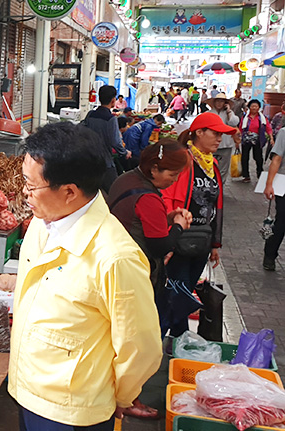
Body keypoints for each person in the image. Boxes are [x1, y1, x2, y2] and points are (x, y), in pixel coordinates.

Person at [6, 122, 162, 430]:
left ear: (69, 192)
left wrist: (120, 396)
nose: (24, 194)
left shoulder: (115, 257)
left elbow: (140, 346)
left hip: (72, 410)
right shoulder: (43, 222)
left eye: (30, 186)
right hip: (28, 391)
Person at [108, 139, 192, 420]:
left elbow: (137, 220)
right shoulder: (148, 196)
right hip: (137, 274)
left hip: (115, 264)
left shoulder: (125, 179)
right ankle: (128, 398)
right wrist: (178, 227)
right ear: (154, 169)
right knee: (138, 341)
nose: (174, 180)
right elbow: (160, 246)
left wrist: (165, 217)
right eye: (171, 174)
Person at [161, 112, 236, 336]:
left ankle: (175, 341)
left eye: (221, 135)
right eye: (215, 133)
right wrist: (169, 236)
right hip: (180, 239)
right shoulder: (183, 160)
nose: (219, 139)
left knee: (183, 292)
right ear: (199, 133)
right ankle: (175, 340)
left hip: (201, 241)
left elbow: (217, 205)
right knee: (179, 294)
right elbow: (167, 198)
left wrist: (215, 244)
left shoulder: (211, 164)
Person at [84, 85, 131, 193]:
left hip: (89, 160)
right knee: (114, 192)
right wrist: (124, 153)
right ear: (113, 100)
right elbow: (115, 141)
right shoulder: (111, 119)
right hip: (105, 162)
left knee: (91, 192)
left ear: (99, 98)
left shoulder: (90, 115)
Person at [263, 128, 285, 271]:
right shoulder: (284, 132)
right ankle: (270, 255)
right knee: (281, 222)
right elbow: (277, 159)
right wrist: (269, 184)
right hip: (284, 185)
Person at [206, 93, 240, 183]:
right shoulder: (208, 113)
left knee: (223, 168)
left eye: (221, 101)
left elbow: (234, 122)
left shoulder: (229, 113)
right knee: (209, 165)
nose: (219, 103)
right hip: (211, 144)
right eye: (217, 101)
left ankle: (221, 185)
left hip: (226, 144)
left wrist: (229, 111)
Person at [239, 99, 272, 183]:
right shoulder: (245, 117)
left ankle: (260, 174)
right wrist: (238, 139)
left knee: (258, 158)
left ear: (259, 108)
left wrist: (271, 137)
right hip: (246, 139)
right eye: (252, 106)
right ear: (249, 107)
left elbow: (268, 127)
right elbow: (240, 128)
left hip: (257, 140)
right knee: (245, 157)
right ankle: (246, 175)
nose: (254, 108)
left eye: (256, 106)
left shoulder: (262, 118)